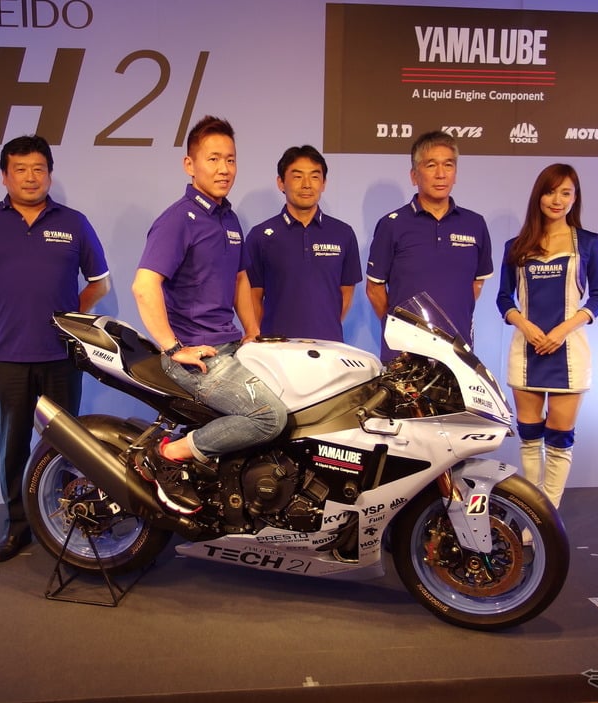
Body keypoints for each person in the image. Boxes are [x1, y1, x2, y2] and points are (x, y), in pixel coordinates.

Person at [0, 135, 111, 561]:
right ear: (4, 176)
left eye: (38, 169)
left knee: (66, 447)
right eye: (20, 169)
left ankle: (67, 522)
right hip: (7, 357)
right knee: (13, 447)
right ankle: (18, 526)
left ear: (50, 174)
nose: (30, 177)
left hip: (61, 357)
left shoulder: (74, 223)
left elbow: (99, 283)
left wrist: (68, 318)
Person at [131, 115, 289, 514]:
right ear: (190, 164)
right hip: (196, 356)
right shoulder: (177, 220)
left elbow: (239, 278)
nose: (224, 169)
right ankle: (168, 454)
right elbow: (144, 286)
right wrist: (173, 348)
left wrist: (252, 330)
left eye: (230, 160)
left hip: (230, 345)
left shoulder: (228, 218)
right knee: (269, 417)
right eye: (213, 159)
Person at [496, 163, 598, 509]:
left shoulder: (588, 243)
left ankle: (548, 516)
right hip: (527, 351)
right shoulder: (516, 246)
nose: (556, 200)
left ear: (575, 198)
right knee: (530, 439)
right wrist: (526, 326)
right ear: (538, 196)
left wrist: (561, 331)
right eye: (550, 192)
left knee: (559, 440)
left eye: (565, 193)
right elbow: (503, 298)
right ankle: (532, 513)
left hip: (568, 352)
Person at [366, 130, 493, 361]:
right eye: (431, 165)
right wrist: (399, 330)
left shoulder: (475, 224)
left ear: (455, 174)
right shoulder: (392, 224)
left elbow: (476, 284)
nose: (441, 174)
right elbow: (374, 289)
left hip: (458, 353)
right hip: (405, 355)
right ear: (414, 175)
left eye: (448, 165)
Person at [244, 145, 362, 342]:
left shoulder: (343, 233)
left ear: (323, 183)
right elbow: (252, 295)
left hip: (329, 346)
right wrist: (263, 336)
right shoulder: (260, 236)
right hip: (276, 348)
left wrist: (324, 326)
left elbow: (346, 292)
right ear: (281, 182)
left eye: (315, 176)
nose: (307, 184)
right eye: (297, 176)